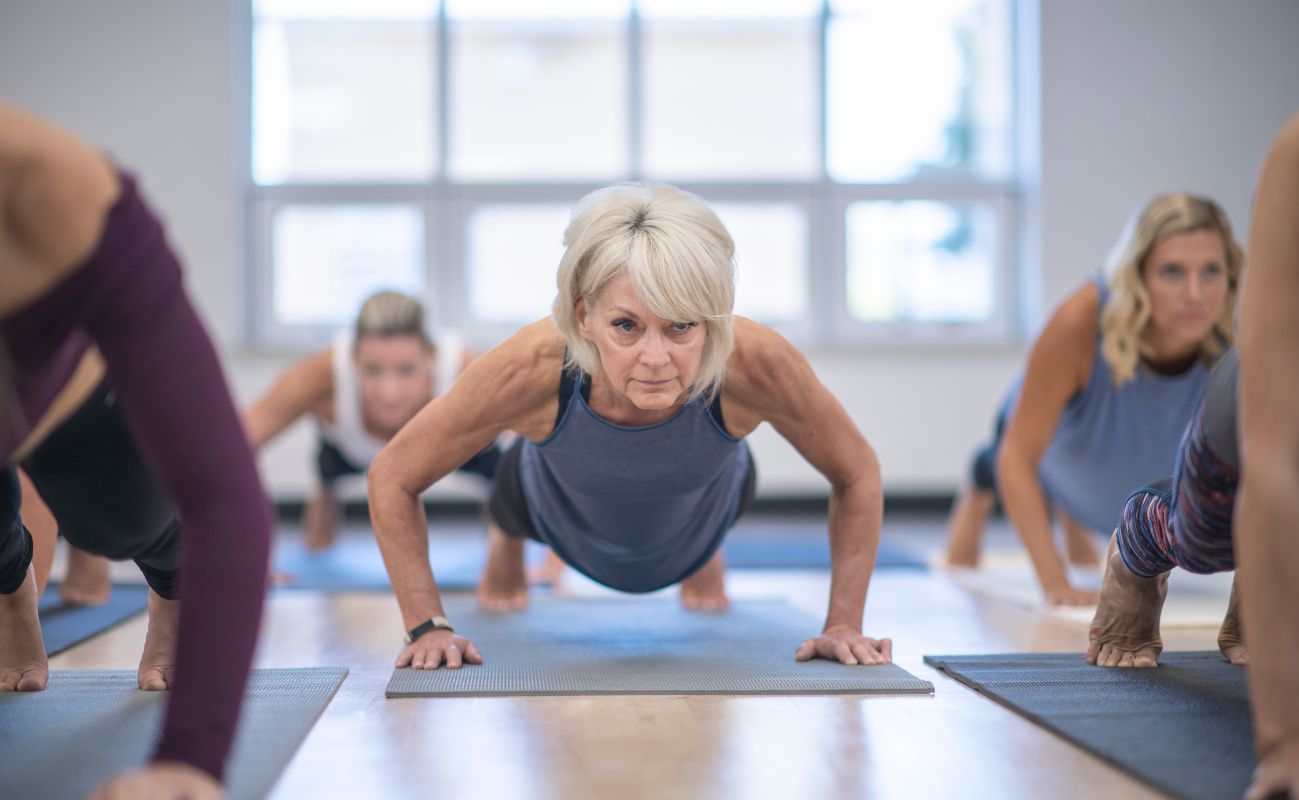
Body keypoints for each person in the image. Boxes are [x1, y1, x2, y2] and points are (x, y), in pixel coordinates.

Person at [369, 182, 891, 670]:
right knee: (514, 472)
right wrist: (426, 627)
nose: (655, 358)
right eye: (626, 326)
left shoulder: (754, 363)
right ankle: (507, 538)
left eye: (680, 326)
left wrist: (844, 623)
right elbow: (393, 475)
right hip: (547, 507)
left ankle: (701, 551)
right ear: (583, 317)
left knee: (724, 467)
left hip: (707, 497)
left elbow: (856, 471)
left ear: (712, 320)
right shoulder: (528, 368)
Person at [0, 102, 270, 798]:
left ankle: (165, 585)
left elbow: (224, 498)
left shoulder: (54, 187)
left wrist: (190, 759)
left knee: (116, 526)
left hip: (58, 406)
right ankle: (11, 591)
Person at [1088, 112, 1299, 800]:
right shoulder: (1296, 153)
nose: (1193, 288)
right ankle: (1137, 545)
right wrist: (1283, 746)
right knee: (1206, 539)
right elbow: (1274, 454)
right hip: (1257, 409)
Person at [944, 192, 1243, 605]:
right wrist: (1055, 585)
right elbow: (1017, 458)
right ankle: (981, 478)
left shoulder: (1240, 327)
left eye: (1211, 271)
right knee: (985, 494)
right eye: (1172, 271)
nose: (1195, 293)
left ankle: (1071, 517)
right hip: (1053, 444)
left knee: (1088, 547)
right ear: (1137, 274)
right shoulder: (1078, 319)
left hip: (1120, 467)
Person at [242, 290, 500, 552]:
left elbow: (537, 443)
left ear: (430, 359)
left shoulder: (466, 371)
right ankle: (322, 509)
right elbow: (235, 449)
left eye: (406, 370)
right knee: (324, 493)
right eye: (372, 371)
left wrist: (543, 558)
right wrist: (248, 553)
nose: (390, 394)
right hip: (349, 448)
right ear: (354, 360)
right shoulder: (320, 375)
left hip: (451, 448)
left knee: (502, 477)